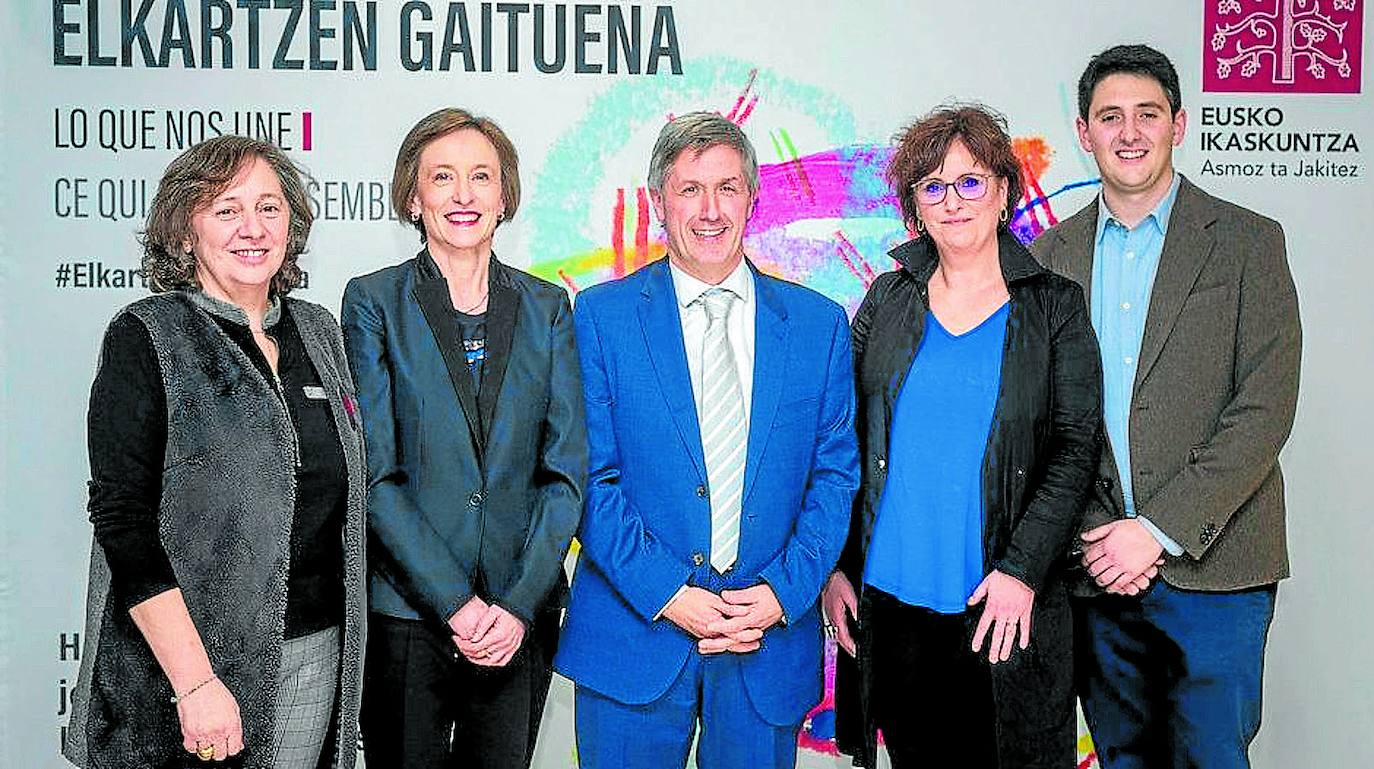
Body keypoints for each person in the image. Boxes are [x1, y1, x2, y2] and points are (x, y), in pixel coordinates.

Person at [553, 111, 859, 769]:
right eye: (690, 188)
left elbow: (834, 478)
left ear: (753, 196)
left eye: (727, 186)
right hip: (634, 637)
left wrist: (783, 591)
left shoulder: (819, 326)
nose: (710, 209)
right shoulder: (599, 319)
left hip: (764, 646)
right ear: (658, 201)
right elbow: (587, 477)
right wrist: (668, 591)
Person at [1031, 44, 1302, 769]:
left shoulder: (1249, 243)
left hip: (1216, 568)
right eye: (1109, 116)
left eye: (1147, 114)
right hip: (1097, 570)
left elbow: (1264, 408)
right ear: (1083, 132)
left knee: (1211, 757)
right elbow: (1042, 419)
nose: (1129, 132)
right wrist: (1101, 533)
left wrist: (1155, 530)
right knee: (1124, 757)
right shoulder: (1050, 256)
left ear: (1178, 125)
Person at [64, 135, 367, 769]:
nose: (252, 228)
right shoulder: (147, 335)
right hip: (184, 673)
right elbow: (124, 522)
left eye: (270, 208)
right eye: (226, 210)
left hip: (312, 654)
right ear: (184, 232)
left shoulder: (318, 331)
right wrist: (195, 684)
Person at [824, 104, 1103, 769]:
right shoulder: (887, 299)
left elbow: (1075, 448)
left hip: (1002, 609)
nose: (953, 201)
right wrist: (838, 566)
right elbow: (842, 438)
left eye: (971, 181)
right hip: (891, 605)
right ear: (914, 204)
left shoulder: (1054, 306)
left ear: (1004, 190)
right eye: (933, 185)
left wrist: (1023, 568)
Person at [341, 107, 586, 769]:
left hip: (518, 618)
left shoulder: (547, 307)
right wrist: (454, 603)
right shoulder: (372, 302)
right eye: (442, 177)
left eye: (481, 176)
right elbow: (375, 473)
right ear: (413, 198)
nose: (463, 194)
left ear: (504, 195)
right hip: (407, 618)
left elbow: (565, 474)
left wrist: (513, 605)